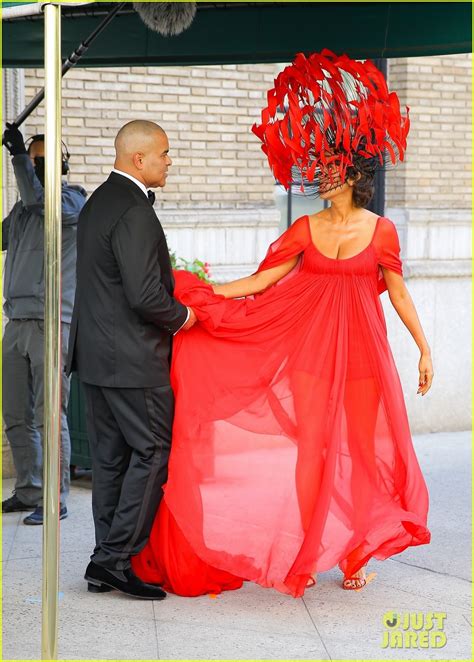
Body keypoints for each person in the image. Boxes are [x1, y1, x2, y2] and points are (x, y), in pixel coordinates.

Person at [131, 50, 433, 597]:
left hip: (366, 357)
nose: (318, 175)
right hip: (315, 357)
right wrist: (204, 297)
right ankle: (310, 548)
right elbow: (259, 282)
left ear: (351, 173)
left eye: (327, 168)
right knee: (312, 449)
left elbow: (398, 293)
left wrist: (424, 348)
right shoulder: (302, 228)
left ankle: (356, 553)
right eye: (317, 168)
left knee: (362, 452)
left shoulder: (382, 230)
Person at [66, 120, 196, 600]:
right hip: (134, 359)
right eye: (164, 153)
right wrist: (184, 316)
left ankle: (107, 560)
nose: (169, 161)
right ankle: (112, 560)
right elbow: (145, 295)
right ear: (138, 158)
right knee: (153, 452)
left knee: (110, 461)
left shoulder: (98, 201)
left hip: (95, 358)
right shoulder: (135, 211)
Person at [2, 124, 87, 525]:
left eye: (39, 160)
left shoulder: (71, 201)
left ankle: (55, 498)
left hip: (51, 322)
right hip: (16, 321)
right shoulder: (23, 206)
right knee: (16, 414)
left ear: (60, 164)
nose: (33, 166)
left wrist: (19, 157)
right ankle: (29, 489)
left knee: (48, 414)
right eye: (30, 159)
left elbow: (42, 203)